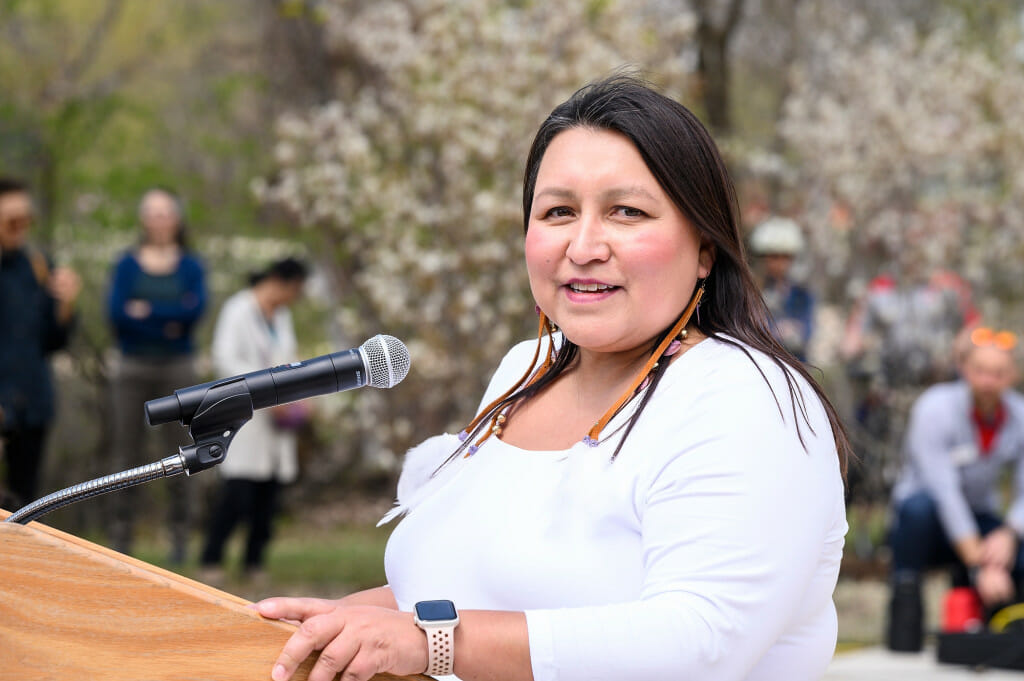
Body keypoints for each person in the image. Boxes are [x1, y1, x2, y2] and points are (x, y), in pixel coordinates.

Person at [255, 75, 850, 681]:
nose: (584, 245)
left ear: (704, 247)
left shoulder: (744, 395)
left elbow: (699, 641)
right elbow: (478, 591)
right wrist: (339, 626)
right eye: (559, 211)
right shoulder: (526, 368)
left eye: (627, 212)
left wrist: (432, 641)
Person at [886, 326, 1024, 652]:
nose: (988, 382)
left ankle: (1005, 625)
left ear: (1013, 375)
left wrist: (1010, 534)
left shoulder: (1019, 415)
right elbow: (944, 492)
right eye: (980, 371)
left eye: (998, 373)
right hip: (927, 524)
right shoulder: (934, 408)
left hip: (978, 514)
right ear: (964, 369)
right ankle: (905, 619)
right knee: (917, 510)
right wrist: (982, 564)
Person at [106, 187, 207, 562]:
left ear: (176, 219)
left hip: (178, 368)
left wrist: (145, 312)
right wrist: (168, 317)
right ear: (143, 219)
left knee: (182, 452)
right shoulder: (126, 265)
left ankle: (180, 540)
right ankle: (121, 539)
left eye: (166, 212)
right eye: (152, 212)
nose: (159, 220)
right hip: (132, 368)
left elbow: (193, 315)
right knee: (125, 453)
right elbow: (117, 316)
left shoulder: (192, 266)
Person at [199, 257, 309, 584]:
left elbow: (288, 359)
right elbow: (225, 359)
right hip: (244, 414)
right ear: (280, 281)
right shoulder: (238, 310)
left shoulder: (282, 316)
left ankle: (254, 561)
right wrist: (262, 392)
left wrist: (301, 394)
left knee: (269, 494)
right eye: (295, 289)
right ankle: (212, 558)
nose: (295, 297)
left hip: (278, 418)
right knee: (238, 492)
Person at [0, 178, 81, 510]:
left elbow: (53, 341)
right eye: (12, 220)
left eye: (26, 219)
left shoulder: (38, 264)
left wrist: (66, 306)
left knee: (26, 503)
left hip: (31, 402)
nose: (22, 228)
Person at [749, 216, 815, 362]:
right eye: (773, 257)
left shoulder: (801, 294)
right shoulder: (750, 293)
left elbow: (806, 330)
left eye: (785, 257)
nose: (779, 263)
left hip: (795, 365)